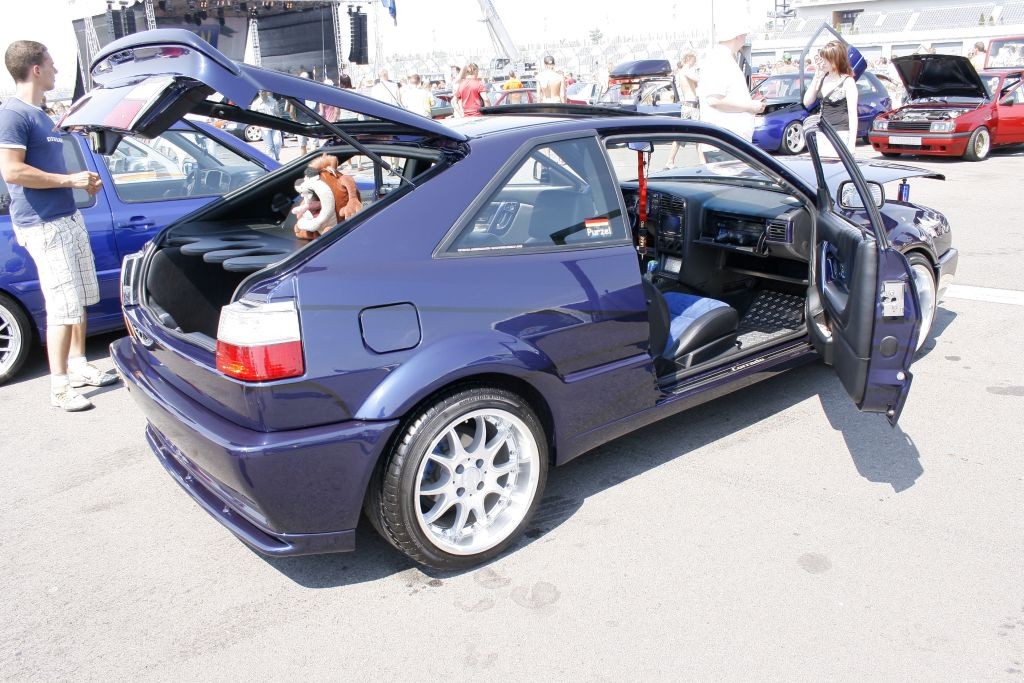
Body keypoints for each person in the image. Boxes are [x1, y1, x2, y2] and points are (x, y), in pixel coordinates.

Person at [0, 40, 115, 411]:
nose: (56, 71)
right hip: (44, 225)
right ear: (36, 69)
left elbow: (47, 168)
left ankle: (79, 366)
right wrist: (70, 181)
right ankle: (60, 386)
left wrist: (82, 182)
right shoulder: (13, 114)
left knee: (77, 298)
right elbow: (12, 171)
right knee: (62, 305)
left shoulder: (41, 114)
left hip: (67, 216)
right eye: (51, 64)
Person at [696, 16, 765, 142]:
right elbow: (714, 100)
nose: (745, 38)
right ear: (737, 36)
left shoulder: (722, 58)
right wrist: (750, 106)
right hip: (727, 141)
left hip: (728, 140)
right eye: (744, 34)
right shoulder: (720, 59)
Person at [803, 39, 859, 154]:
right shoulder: (823, 78)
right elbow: (807, 102)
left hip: (840, 133)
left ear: (835, 60)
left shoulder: (848, 81)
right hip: (822, 131)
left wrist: (852, 143)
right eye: (822, 59)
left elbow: (852, 114)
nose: (823, 63)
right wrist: (817, 77)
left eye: (826, 59)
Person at [664, 52, 700, 169]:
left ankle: (670, 161)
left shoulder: (681, 72)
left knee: (682, 136)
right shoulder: (686, 70)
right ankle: (703, 163)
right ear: (689, 59)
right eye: (694, 60)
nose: (695, 63)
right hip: (691, 106)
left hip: (688, 105)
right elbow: (697, 79)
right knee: (699, 135)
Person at [252, 90, 283, 161]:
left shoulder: (273, 101)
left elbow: (277, 113)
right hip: (264, 127)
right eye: (261, 92)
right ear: (259, 93)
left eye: (264, 92)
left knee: (277, 143)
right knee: (269, 146)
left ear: (266, 92)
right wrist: (256, 125)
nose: (262, 93)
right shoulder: (256, 103)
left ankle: (276, 158)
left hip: (275, 125)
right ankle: (272, 161)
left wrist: (281, 123)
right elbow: (252, 116)